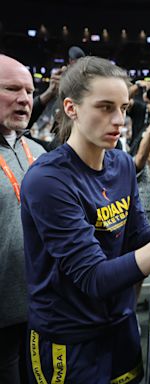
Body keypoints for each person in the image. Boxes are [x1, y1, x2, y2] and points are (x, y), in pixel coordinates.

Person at [20, 56, 150, 383]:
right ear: (71, 108)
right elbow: (94, 278)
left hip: (120, 325)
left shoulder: (122, 163)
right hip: (70, 338)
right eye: (105, 107)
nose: (119, 120)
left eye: (123, 108)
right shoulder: (47, 181)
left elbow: (138, 238)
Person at [0, 54, 46, 384]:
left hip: (42, 309)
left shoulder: (40, 152)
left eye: (30, 92)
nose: (24, 100)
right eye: (12, 89)